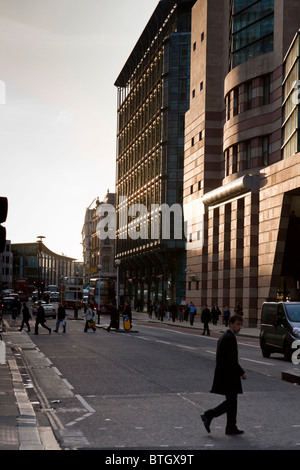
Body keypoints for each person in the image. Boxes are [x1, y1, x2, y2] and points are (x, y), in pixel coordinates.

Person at [201, 315, 247, 435]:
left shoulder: (227, 336)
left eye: (240, 324)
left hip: (226, 374)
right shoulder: (229, 338)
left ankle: (231, 427)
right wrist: (241, 372)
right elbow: (231, 359)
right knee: (231, 402)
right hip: (228, 375)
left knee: (232, 401)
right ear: (230, 324)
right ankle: (209, 415)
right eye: (237, 324)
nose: (239, 327)